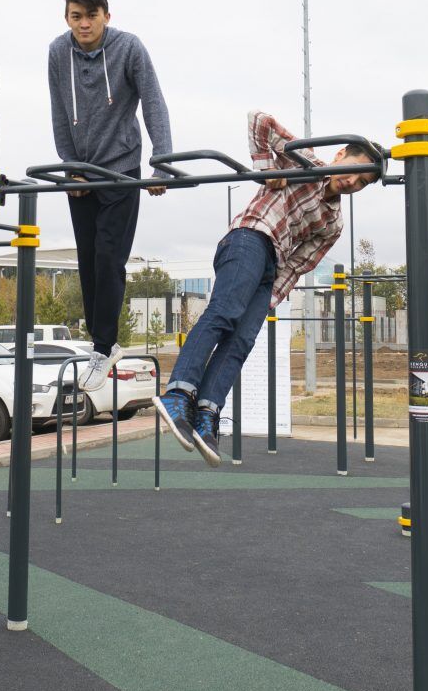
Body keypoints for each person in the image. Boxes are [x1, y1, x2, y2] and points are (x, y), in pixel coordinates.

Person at [153, 110, 382, 467]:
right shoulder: (305, 161)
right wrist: (266, 168)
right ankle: (178, 392)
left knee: (243, 340)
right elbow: (258, 121)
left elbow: (299, 263)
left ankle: (206, 412)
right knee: (226, 312)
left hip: (271, 268)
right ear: (340, 156)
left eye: (362, 183)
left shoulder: (334, 223)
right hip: (250, 237)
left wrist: (270, 299)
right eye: (353, 170)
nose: (352, 181)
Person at [48, 0, 173, 393]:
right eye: (76, 16)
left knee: (108, 256)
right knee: (87, 260)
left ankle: (104, 347)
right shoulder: (57, 52)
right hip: (82, 172)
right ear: (68, 18)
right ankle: (101, 345)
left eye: (91, 15)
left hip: (120, 169)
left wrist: (162, 164)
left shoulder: (129, 47)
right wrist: (70, 169)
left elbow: (153, 100)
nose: (84, 24)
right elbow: (59, 110)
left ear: (106, 15)